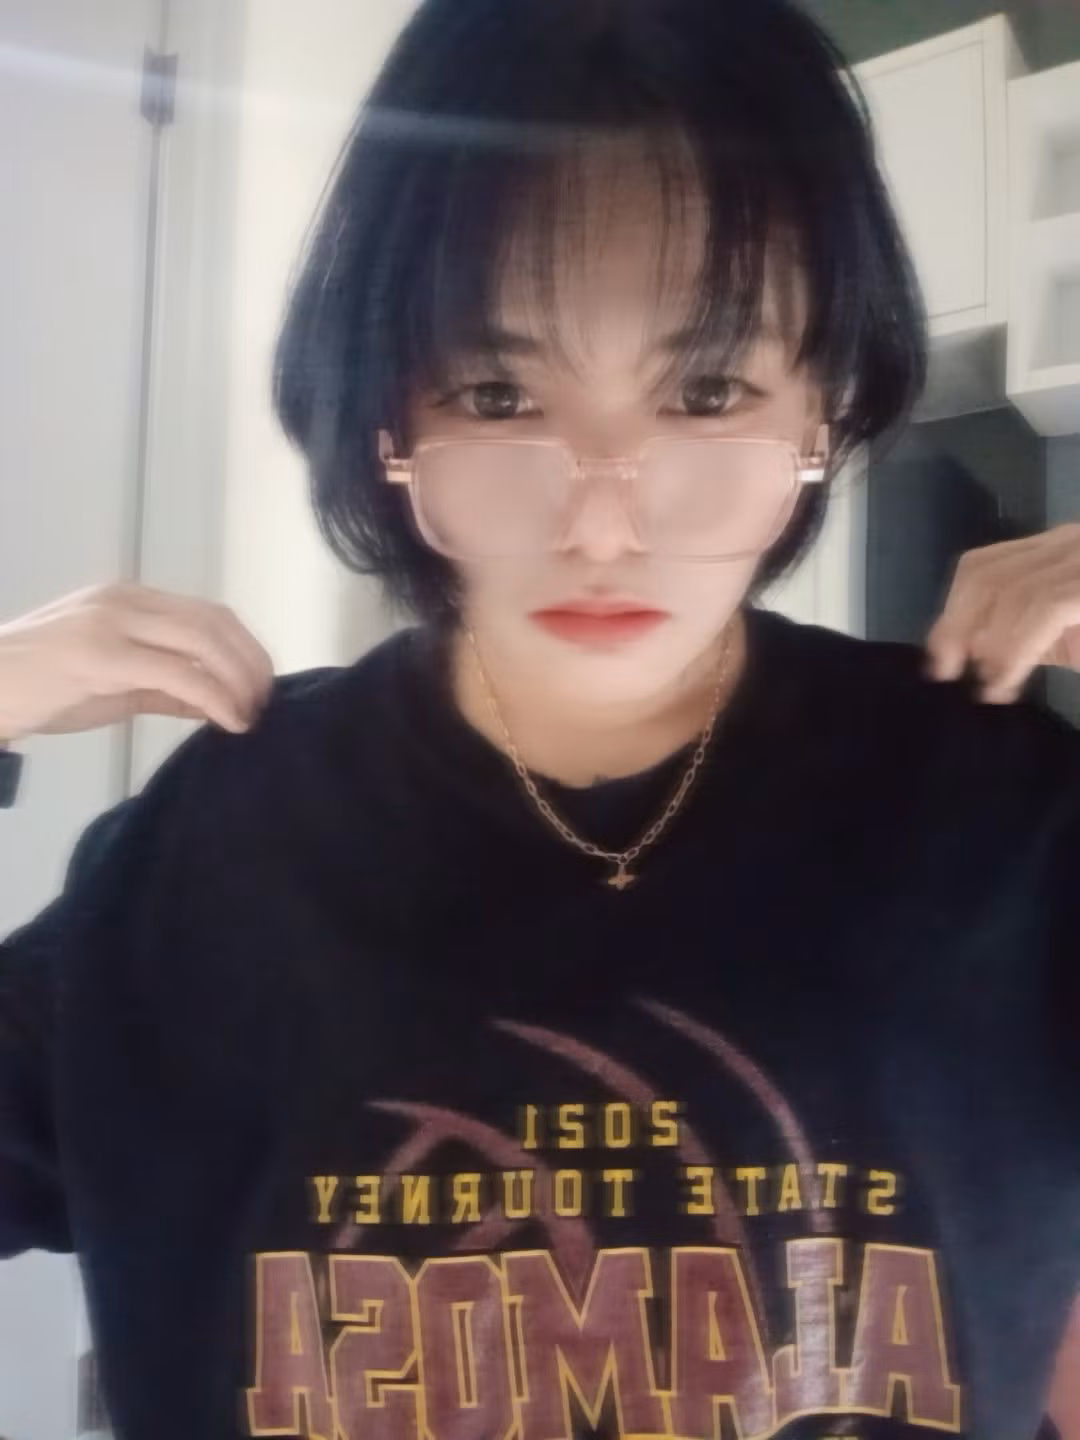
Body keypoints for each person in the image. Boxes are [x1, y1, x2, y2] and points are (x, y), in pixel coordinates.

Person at [1, 0, 1079, 1436]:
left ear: (823, 404)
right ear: (389, 417)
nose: (602, 524)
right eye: (500, 395)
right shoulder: (213, 846)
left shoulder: (998, 811)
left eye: (708, 392)